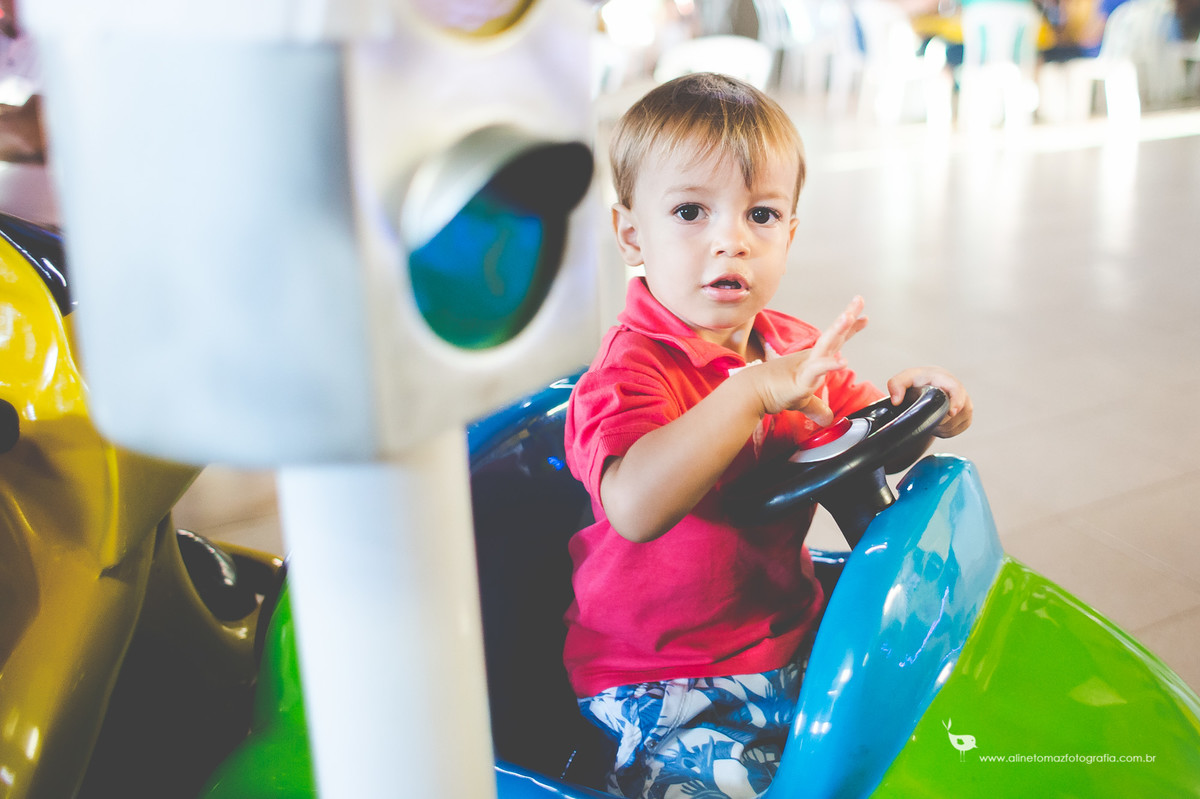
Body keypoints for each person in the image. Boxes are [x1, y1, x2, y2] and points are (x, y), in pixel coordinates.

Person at [562, 72, 972, 799]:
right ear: (632, 233)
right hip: (666, 677)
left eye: (760, 215)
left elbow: (858, 442)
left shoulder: (792, 348)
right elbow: (634, 503)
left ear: (790, 230)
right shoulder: (628, 373)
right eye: (691, 211)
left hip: (787, 633)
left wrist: (921, 407)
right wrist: (748, 394)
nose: (731, 242)